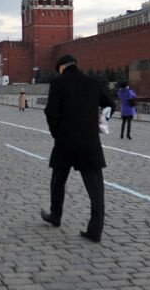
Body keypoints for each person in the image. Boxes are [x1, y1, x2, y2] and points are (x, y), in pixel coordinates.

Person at [41, 55, 115, 242]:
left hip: (65, 141)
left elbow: (50, 111)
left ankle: (55, 216)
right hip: (89, 142)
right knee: (96, 187)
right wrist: (101, 121)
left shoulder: (58, 83)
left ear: (62, 68)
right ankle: (95, 230)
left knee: (58, 181)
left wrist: (56, 132)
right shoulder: (92, 82)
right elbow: (110, 105)